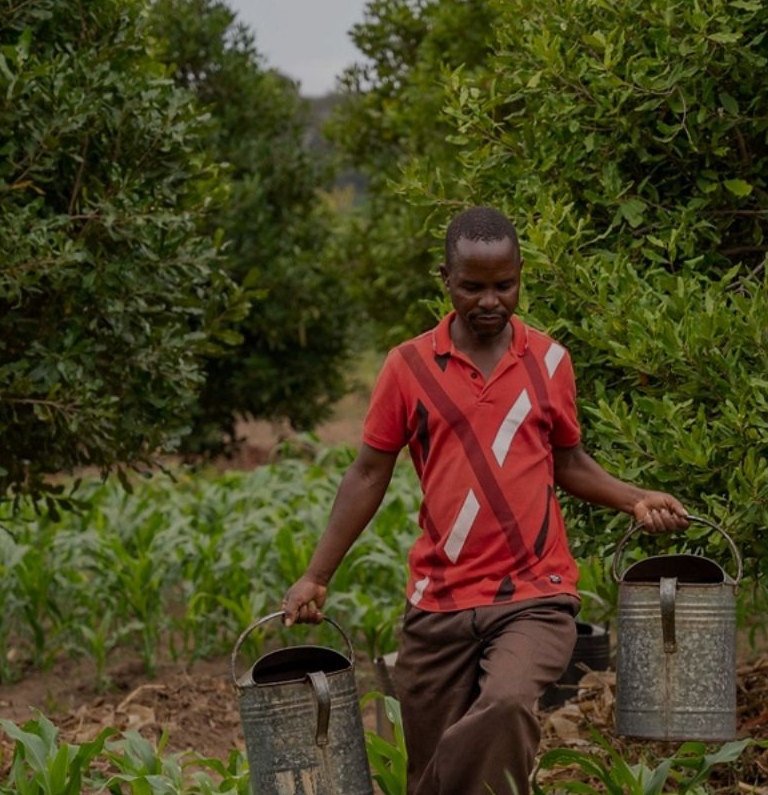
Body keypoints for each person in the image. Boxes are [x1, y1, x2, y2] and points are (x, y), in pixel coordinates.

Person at [281, 205, 690, 795]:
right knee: (430, 758)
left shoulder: (550, 362)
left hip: (535, 594)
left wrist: (635, 499)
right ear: (445, 280)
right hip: (439, 603)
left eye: (505, 284)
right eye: (473, 287)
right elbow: (368, 474)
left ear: (521, 275)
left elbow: (569, 462)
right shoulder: (408, 367)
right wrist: (317, 575)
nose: (490, 300)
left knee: (504, 709)